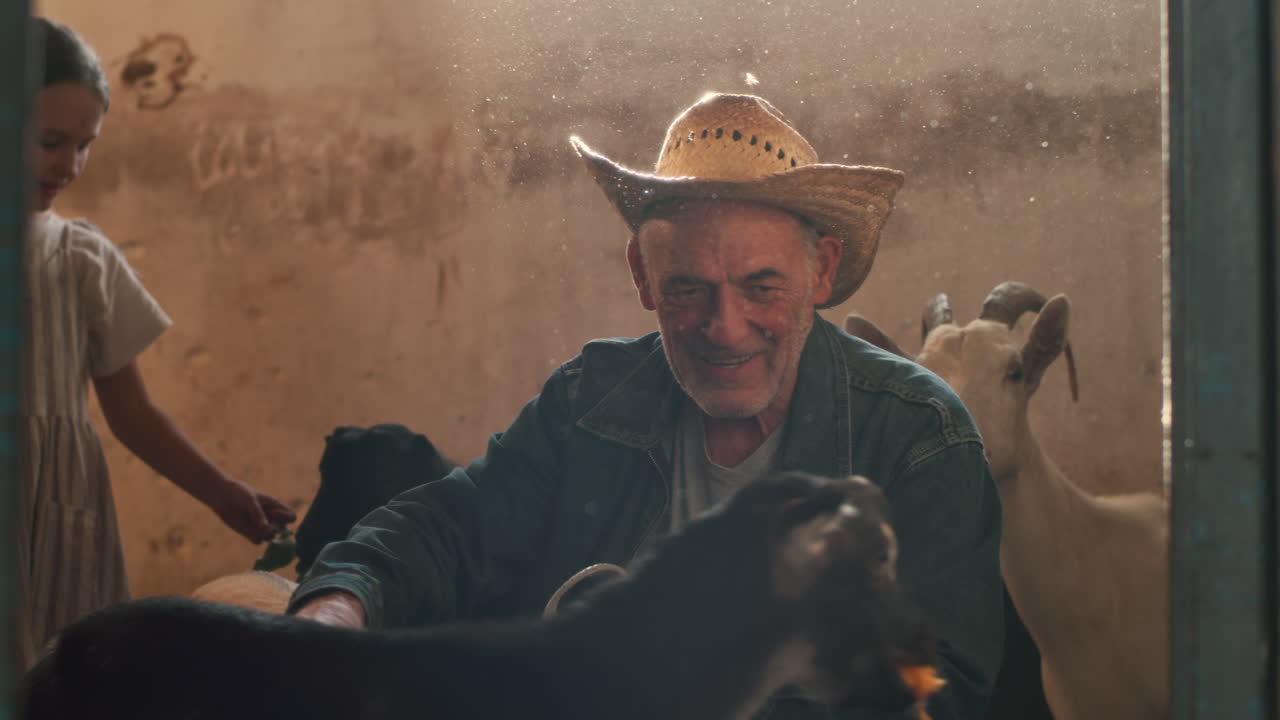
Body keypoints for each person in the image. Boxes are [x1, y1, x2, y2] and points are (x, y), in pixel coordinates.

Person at [290, 93, 1003, 718]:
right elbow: (453, 525)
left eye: (761, 286)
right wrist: (339, 603)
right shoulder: (591, 399)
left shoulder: (919, 436)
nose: (724, 329)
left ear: (819, 271)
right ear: (642, 276)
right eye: (688, 287)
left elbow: (937, 695)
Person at [18, 17, 296, 669]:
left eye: (84, 145)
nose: (69, 165)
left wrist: (220, 490)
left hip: (60, 520)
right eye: (51, 141)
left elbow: (133, 412)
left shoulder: (81, 260)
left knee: (62, 679)